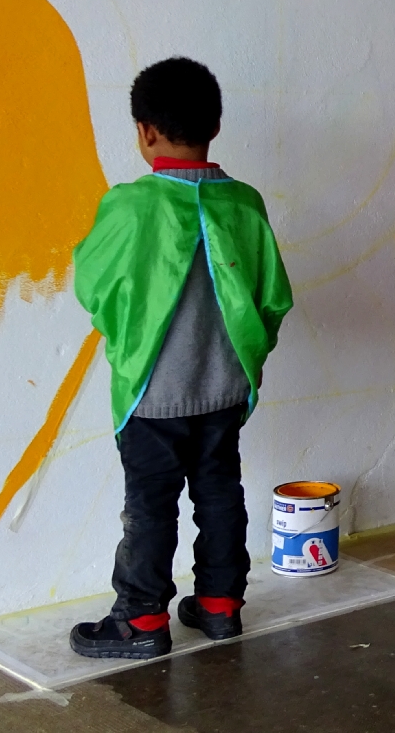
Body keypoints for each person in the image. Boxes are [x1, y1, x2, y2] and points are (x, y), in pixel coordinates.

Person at [69, 57, 293, 659]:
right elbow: (273, 297)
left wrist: (128, 336)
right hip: (224, 389)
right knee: (220, 492)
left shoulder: (128, 206)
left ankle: (141, 621)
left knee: (149, 504)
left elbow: (92, 285)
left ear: (145, 131)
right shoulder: (245, 203)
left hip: (152, 395)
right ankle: (220, 606)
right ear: (214, 127)